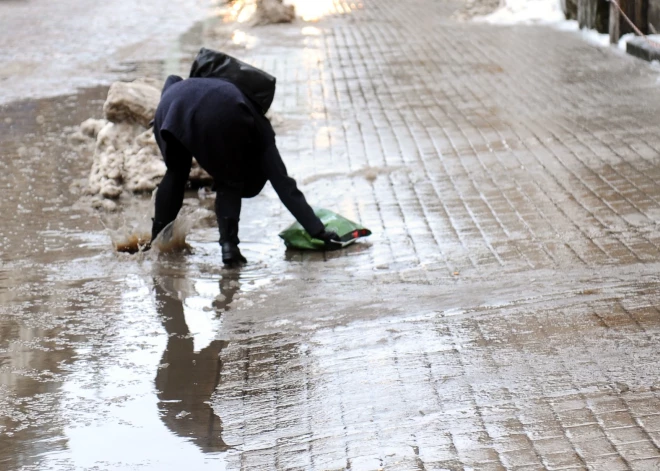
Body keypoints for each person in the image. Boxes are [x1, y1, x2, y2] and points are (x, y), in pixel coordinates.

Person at [149, 75, 339, 265]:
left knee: (176, 172)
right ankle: (229, 248)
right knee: (230, 179)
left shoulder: (216, 84)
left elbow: (172, 79)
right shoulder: (259, 125)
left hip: (168, 107)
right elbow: (284, 184)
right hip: (213, 112)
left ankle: (157, 242)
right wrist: (317, 231)